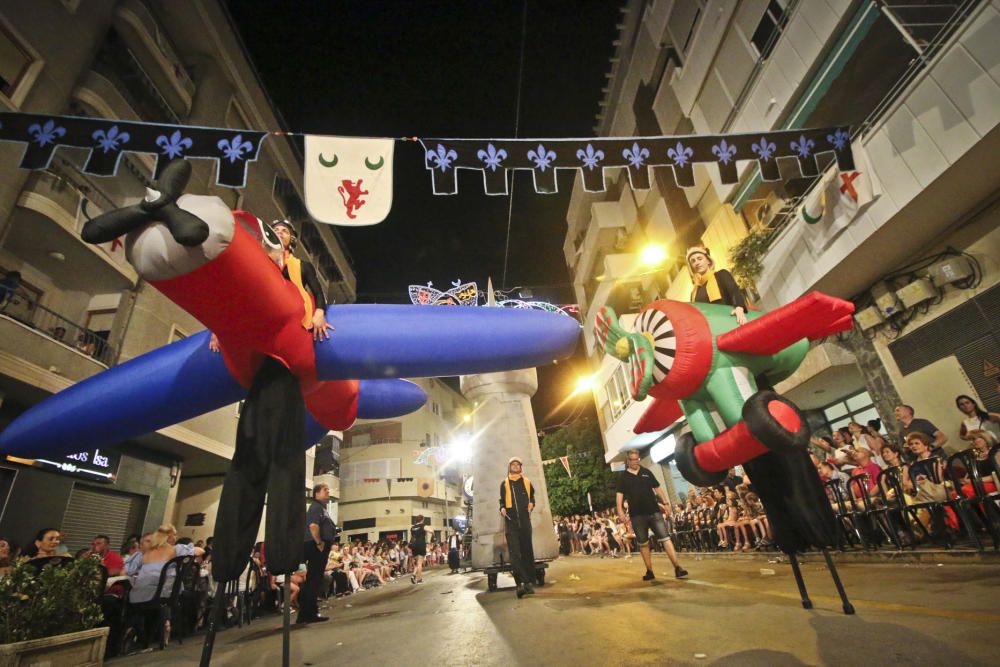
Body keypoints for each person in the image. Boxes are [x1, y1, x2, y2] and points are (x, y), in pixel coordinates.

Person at [616, 449, 688, 582]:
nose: (636, 461)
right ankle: (649, 571)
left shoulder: (646, 472)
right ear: (628, 461)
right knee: (643, 543)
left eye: (637, 459)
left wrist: (666, 503)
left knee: (665, 539)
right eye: (633, 459)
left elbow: (658, 488)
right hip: (637, 515)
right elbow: (619, 494)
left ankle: (678, 568)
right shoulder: (624, 477)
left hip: (654, 511)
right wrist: (620, 511)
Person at [271, 220, 334, 341]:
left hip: (294, 318)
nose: (280, 233)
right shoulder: (260, 262)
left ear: (292, 239)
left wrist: (319, 314)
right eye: (276, 230)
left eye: (285, 231)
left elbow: (318, 293)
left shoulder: (303, 266)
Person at [499, 456, 537, 597]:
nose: (515, 466)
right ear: (509, 467)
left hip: (525, 521)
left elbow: (532, 497)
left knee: (527, 552)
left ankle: (528, 584)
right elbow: (501, 501)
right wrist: (502, 508)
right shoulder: (505, 483)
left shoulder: (527, 482)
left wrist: (531, 504)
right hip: (511, 522)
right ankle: (520, 583)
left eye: (517, 464)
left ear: (521, 467)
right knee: (515, 554)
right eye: (512, 464)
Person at [299, 483, 336, 624]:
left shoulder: (321, 508)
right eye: (325, 490)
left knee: (314, 580)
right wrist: (319, 543)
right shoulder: (316, 507)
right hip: (315, 547)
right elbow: (313, 526)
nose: (328, 492)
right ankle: (308, 613)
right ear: (316, 493)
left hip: (317, 546)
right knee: (313, 580)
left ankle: (308, 612)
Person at [686, 246, 747, 325]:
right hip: (712, 329)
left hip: (731, 321)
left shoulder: (721, 275)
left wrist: (739, 308)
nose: (697, 263)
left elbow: (734, 292)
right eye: (693, 261)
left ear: (708, 261)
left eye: (699, 259)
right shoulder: (694, 292)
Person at [409, 515, 431, 584]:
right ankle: (419, 579)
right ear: (422, 520)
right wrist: (432, 533)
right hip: (421, 544)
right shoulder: (422, 526)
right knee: (419, 563)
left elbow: (412, 537)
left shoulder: (412, 528)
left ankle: (413, 575)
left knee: (416, 563)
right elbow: (430, 530)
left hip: (414, 546)